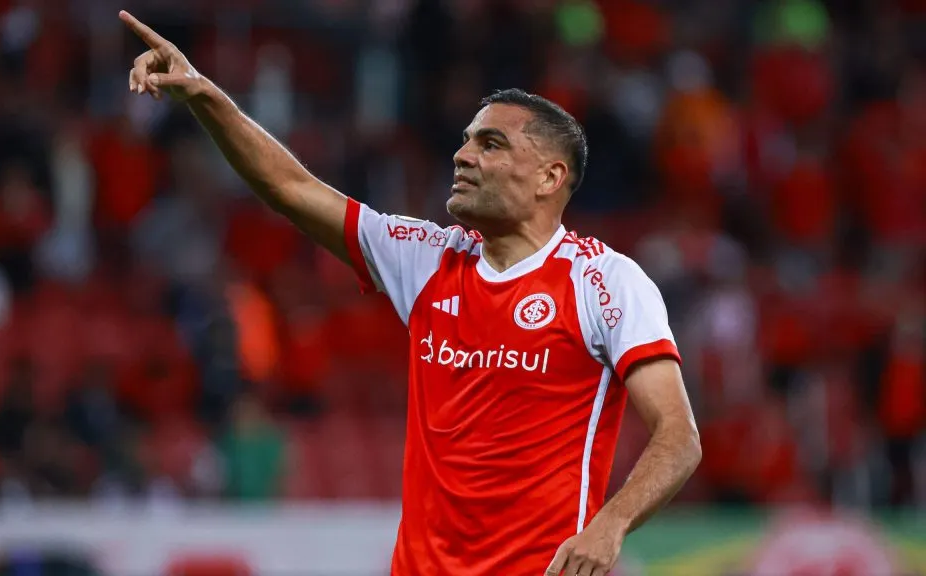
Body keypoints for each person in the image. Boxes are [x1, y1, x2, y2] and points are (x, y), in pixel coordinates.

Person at [119, 10, 702, 576]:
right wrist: (202, 94)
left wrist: (612, 523)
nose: (462, 155)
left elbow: (678, 437)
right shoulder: (427, 257)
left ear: (550, 177)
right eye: (466, 141)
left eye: (491, 144)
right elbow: (289, 187)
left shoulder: (604, 281)